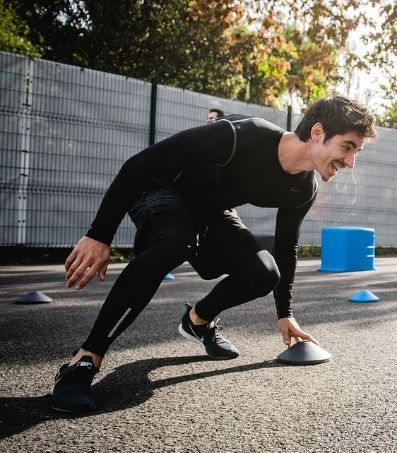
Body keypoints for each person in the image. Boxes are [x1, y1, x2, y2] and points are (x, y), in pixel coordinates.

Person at [51, 96, 376, 413]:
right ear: (318, 132)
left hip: (209, 211)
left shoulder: (303, 189)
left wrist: (285, 313)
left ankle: (197, 322)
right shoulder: (239, 135)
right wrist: (99, 235)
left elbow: (285, 248)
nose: (351, 162)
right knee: (175, 242)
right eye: (347, 148)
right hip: (160, 189)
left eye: (356, 152)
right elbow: (140, 164)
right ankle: (84, 359)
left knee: (265, 272)